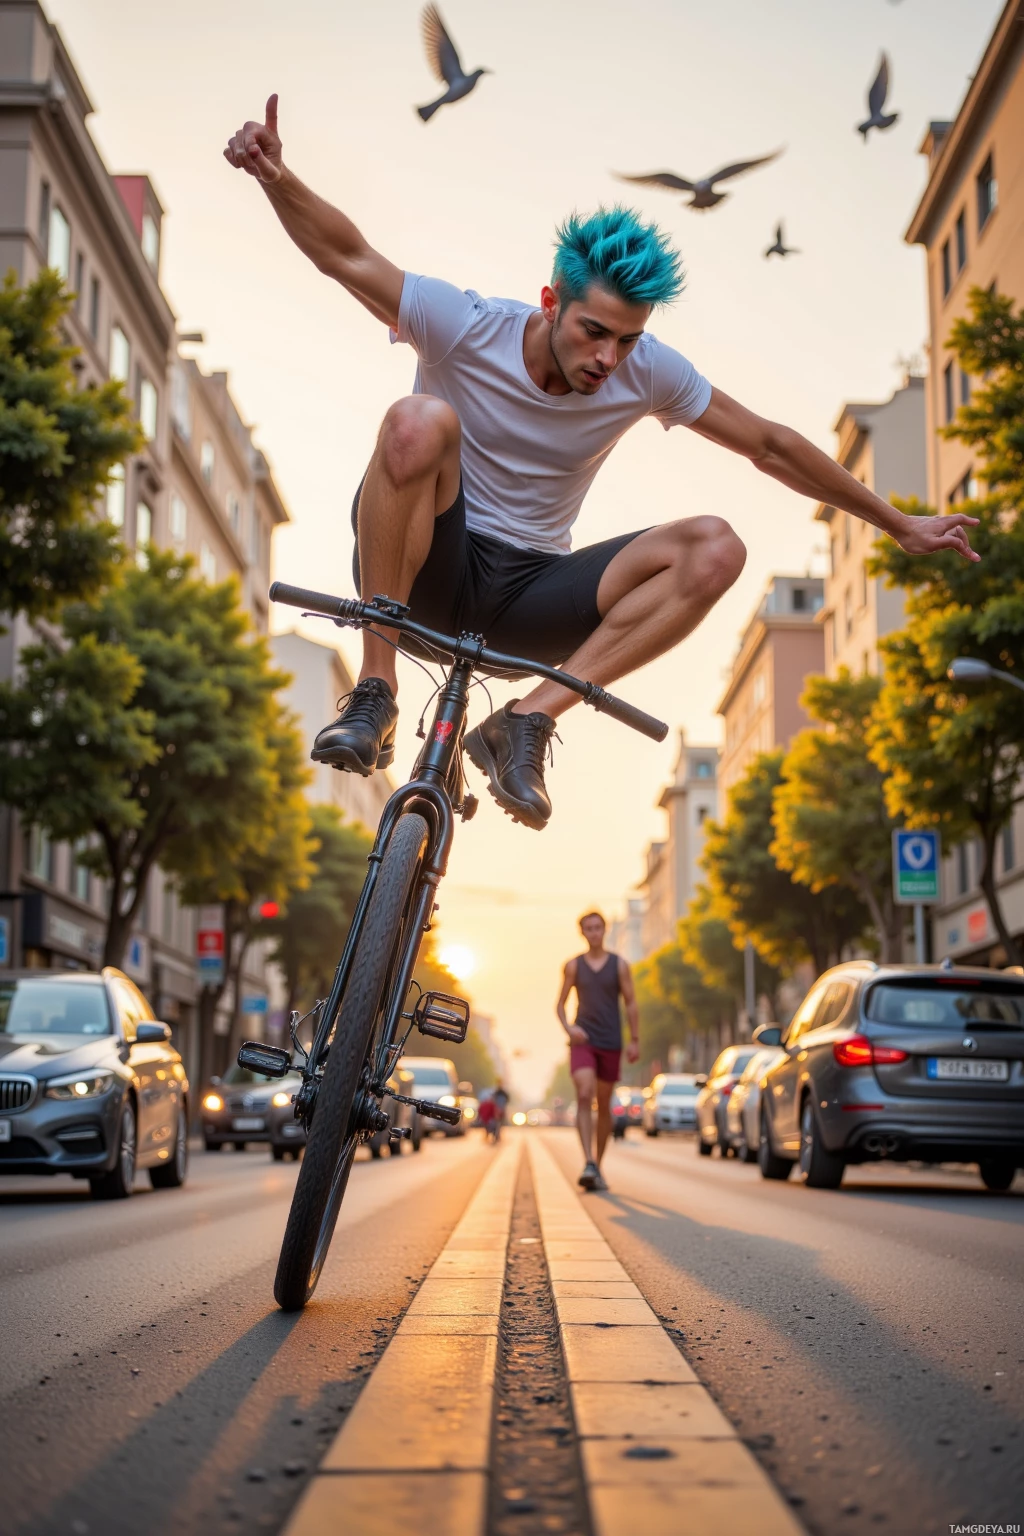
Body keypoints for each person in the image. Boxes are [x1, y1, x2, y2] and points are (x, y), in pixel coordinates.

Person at [224, 98, 979, 831]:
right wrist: (276, 178)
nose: (609, 359)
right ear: (550, 302)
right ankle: (375, 691)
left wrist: (897, 524)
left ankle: (525, 722)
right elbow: (347, 255)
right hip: (423, 572)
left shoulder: (646, 370)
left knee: (718, 546)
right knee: (417, 419)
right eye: (593, 332)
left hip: (530, 602)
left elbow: (768, 444)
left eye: (627, 340)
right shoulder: (466, 326)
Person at [556, 911, 639, 1191]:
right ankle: (588, 1161)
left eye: (598, 927)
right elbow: (560, 1005)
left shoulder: (619, 965)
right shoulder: (573, 966)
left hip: (611, 1041)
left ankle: (598, 1165)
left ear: (604, 930)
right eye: (589, 928)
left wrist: (635, 1040)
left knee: (604, 1105)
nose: (594, 932)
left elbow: (630, 1003)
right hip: (584, 1040)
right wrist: (569, 1029)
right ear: (582, 933)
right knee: (584, 1094)